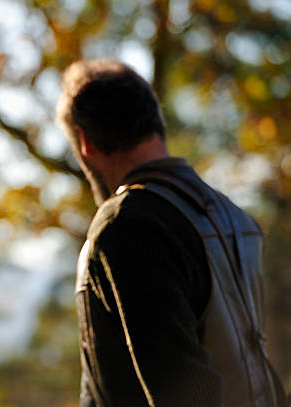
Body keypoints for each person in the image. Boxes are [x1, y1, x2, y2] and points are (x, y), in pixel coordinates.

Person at [56, 59, 287, 407]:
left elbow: (185, 394)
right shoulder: (238, 218)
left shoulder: (126, 224)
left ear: (85, 141)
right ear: (156, 124)